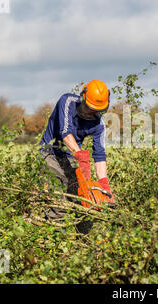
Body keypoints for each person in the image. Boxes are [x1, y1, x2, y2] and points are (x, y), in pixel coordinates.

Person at [39, 80, 114, 221]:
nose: (90, 113)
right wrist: (82, 158)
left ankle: (82, 238)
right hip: (49, 152)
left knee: (83, 198)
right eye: (88, 108)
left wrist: (104, 184)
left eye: (95, 111)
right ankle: (55, 236)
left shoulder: (99, 124)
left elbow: (99, 156)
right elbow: (65, 133)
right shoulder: (67, 101)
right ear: (82, 98)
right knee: (58, 201)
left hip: (70, 156)